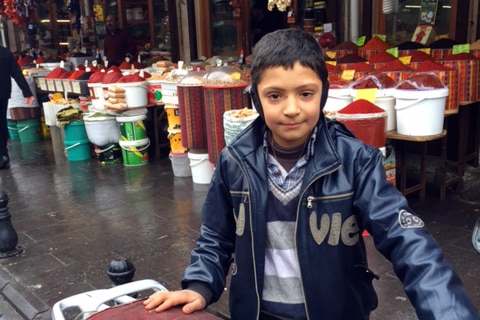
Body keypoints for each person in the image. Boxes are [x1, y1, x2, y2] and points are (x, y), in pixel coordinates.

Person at [144, 29, 480, 319]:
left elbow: (407, 240)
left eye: (305, 94)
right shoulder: (235, 163)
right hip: (257, 313)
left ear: (323, 92)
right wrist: (200, 284)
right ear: (257, 99)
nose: (291, 108)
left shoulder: (356, 162)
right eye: (275, 96)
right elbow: (216, 238)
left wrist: (448, 311)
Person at [0, 45, 34, 170]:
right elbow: (16, 72)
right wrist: (27, 92)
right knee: (2, 122)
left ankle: (2, 155)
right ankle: (3, 154)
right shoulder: (5, 53)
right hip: (3, 93)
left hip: (3, 93)